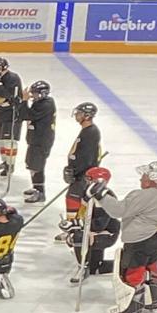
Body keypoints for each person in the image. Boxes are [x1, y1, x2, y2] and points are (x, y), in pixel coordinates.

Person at [106, 160, 157, 313]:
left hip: (139, 240)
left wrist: (101, 196)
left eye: (144, 175)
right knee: (151, 265)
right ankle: (154, 300)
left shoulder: (141, 195)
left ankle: (132, 307)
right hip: (156, 237)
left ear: (151, 178)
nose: (140, 178)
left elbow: (118, 210)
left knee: (134, 269)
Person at [58, 101, 101, 239]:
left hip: (83, 175)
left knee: (74, 200)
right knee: (72, 199)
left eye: (80, 113)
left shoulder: (91, 132)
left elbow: (87, 158)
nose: (77, 115)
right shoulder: (87, 131)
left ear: (87, 116)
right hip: (81, 174)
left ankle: (74, 231)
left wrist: (76, 172)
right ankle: (73, 229)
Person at [15, 80, 56, 203]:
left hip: (41, 141)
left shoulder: (46, 105)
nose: (33, 95)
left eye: (35, 93)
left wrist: (24, 101)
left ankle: (40, 192)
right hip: (36, 140)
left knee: (37, 166)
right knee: (33, 165)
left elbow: (26, 115)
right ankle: (36, 188)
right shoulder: (40, 103)